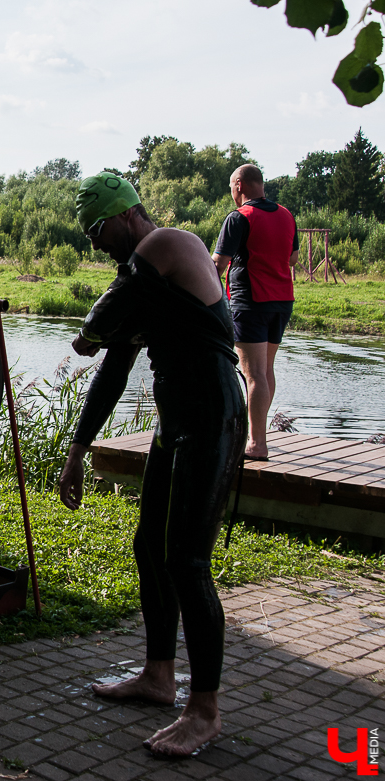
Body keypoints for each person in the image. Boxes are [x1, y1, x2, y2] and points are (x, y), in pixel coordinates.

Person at [57, 172, 246, 758]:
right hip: (176, 421)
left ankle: (205, 711)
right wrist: (77, 450)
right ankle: (160, 677)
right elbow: (113, 371)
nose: (94, 242)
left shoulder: (166, 245)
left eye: (95, 229)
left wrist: (90, 332)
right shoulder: (145, 279)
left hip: (213, 416)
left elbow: (105, 315)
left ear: (123, 214)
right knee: (149, 548)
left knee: (188, 561)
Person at [212, 164, 298, 461]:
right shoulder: (286, 215)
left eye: (231, 189)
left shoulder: (239, 217)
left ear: (239, 186)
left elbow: (218, 265)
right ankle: (256, 434)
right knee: (266, 370)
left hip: (251, 301)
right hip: (282, 300)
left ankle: (257, 444)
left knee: (253, 374)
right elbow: (293, 257)